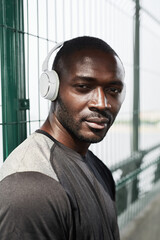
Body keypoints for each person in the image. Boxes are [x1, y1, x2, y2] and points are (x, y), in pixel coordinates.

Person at [0, 36, 125, 240]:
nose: (102, 103)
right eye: (83, 87)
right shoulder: (29, 189)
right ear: (51, 89)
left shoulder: (98, 168)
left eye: (113, 90)